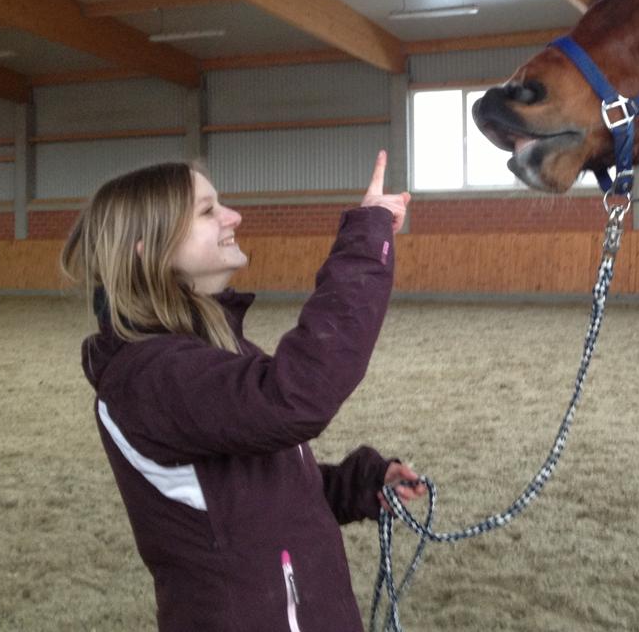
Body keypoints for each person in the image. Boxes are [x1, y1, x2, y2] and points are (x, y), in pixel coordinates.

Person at [61, 150, 426, 632]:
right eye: (208, 210)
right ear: (146, 248)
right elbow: (296, 397)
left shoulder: (205, 350)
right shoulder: (150, 376)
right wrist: (364, 243)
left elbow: (251, 492)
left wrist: (358, 484)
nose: (234, 216)